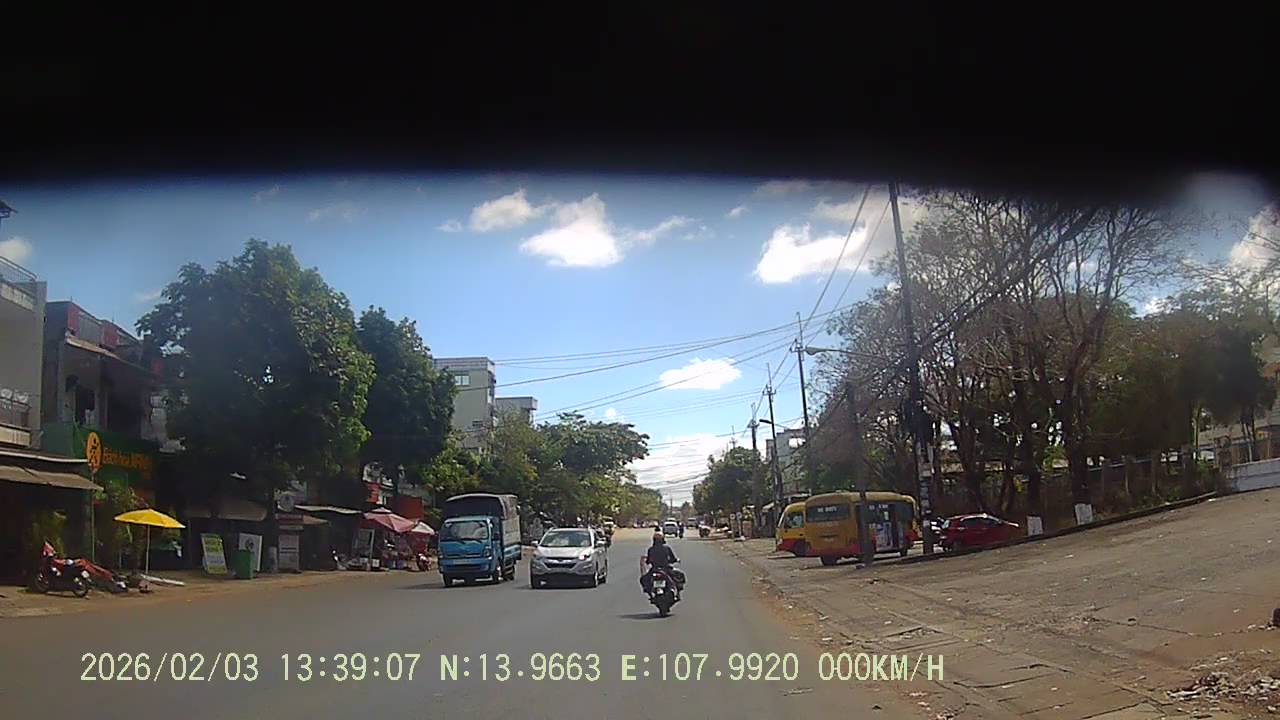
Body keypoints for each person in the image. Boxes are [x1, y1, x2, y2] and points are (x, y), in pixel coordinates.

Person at [640, 532, 685, 597]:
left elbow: (648, 561)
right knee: (679, 576)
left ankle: (650, 592)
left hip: (655, 569)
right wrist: (675, 560)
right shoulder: (667, 548)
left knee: (644, 579)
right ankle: (677, 592)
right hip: (666, 568)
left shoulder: (651, 549)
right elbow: (673, 558)